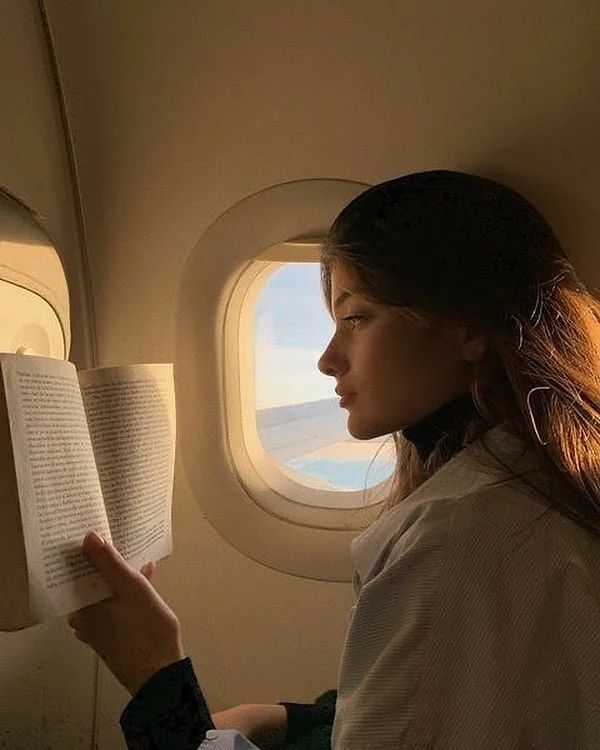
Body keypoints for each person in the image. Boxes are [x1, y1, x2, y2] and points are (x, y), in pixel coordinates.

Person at [68, 169, 600, 749]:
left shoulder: (461, 541)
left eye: (355, 317)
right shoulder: (524, 486)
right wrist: (278, 718)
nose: (327, 359)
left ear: (466, 327)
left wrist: (152, 672)